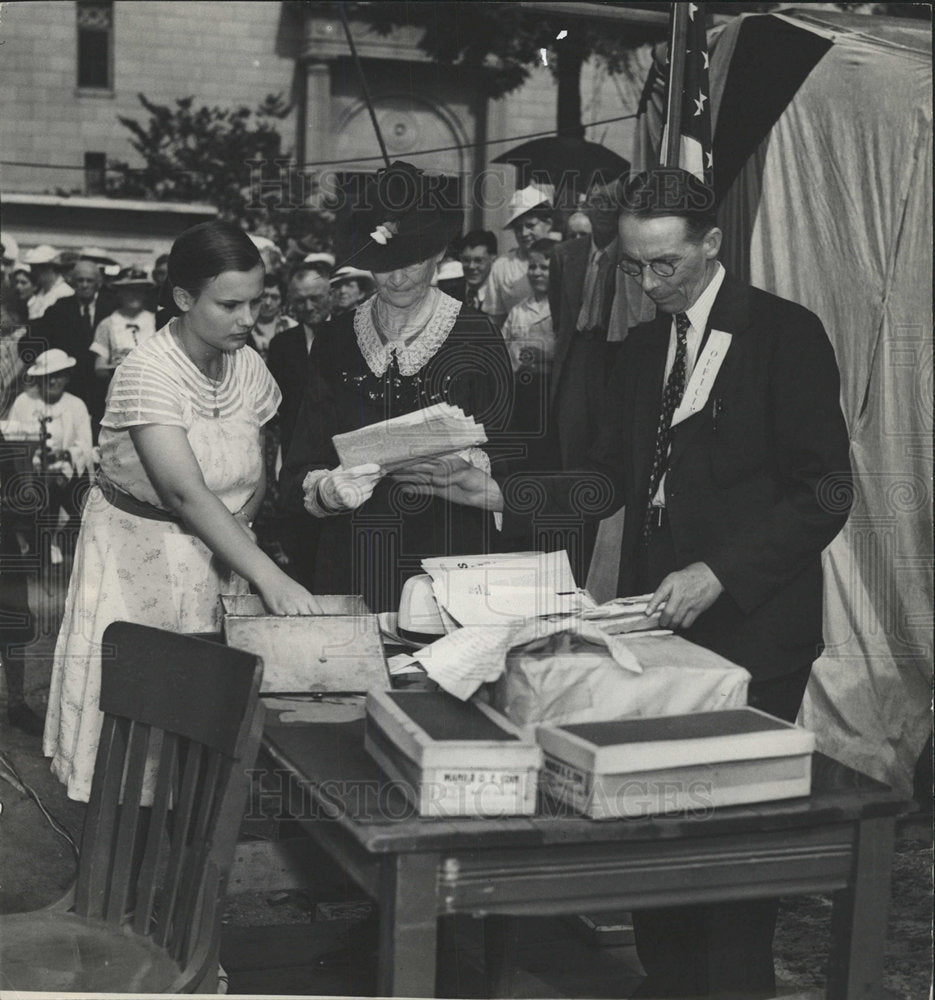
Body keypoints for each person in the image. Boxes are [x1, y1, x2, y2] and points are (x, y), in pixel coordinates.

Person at [426, 167, 853, 998]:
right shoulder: (643, 346)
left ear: (712, 244)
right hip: (661, 626)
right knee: (659, 830)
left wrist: (722, 572)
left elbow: (825, 491)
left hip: (756, 631)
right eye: (636, 267)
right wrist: (503, 492)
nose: (652, 284)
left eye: (668, 265)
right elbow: (609, 478)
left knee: (730, 853)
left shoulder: (782, 333)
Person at [43, 220, 321, 802]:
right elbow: (184, 494)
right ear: (183, 299)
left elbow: (256, 456)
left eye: (255, 302)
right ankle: (119, 872)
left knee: (201, 730)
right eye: (229, 304)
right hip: (138, 560)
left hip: (222, 550)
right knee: (135, 724)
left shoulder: (246, 361)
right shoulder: (148, 370)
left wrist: (243, 537)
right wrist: (269, 573)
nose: (247, 318)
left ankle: (188, 865)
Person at [280, 160, 513, 612]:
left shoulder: (477, 336)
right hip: (353, 559)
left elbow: (512, 459)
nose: (399, 278)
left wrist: (474, 475)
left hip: (447, 561)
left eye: (413, 261)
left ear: (440, 255)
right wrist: (326, 492)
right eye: (385, 264)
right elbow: (300, 463)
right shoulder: (335, 339)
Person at [4, 349, 93, 549]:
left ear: (67, 377)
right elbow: (11, 438)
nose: (52, 382)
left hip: (66, 471)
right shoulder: (24, 402)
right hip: (30, 471)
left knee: (69, 493)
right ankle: (35, 544)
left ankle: (59, 541)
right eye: (46, 377)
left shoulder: (76, 405)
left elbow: (85, 444)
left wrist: (64, 455)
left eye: (58, 376)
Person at [27, 257, 117, 434]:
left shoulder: (111, 307)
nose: (84, 285)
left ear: (98, 283)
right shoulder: (60, 308)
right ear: (72, 282)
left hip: (102, 385)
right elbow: (38, 337)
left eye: (89, 280)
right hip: (71, 383)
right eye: (79, 280)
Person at [500, 238, 555, 453]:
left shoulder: (561, 309)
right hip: (521, 392)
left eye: (544, 267)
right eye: (532, 267)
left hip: (548, 392)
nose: (537, 273)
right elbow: (504, 346)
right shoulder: (519, 311)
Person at [485, 185, 554, 327]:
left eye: (530, 226)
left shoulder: (566, 259)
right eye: (518, 228)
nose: (523, 233)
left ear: (547, 224)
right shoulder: (502, 266)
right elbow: (495, 321)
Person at [91, 268, 157, 376]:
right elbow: (99, 367)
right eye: (129, 290)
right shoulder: (107, 324)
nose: (134, 295)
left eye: (139, 290)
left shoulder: (156, 321)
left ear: (145, 293)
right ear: (119, 293)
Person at [438, 230, 498, 312]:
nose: (471, 266)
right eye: (466, 260)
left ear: (493, 259)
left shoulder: (500, 295)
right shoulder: (447, 294)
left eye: (478, 260)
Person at [250, 273, 296, 359]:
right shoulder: (247, 325)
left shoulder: (291, 325)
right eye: (264, 296)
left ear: (282, 301)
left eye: (274, 297)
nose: (268, 303)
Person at [22, 245, 74, 319]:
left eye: (38, 268)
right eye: (33, 268)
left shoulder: (65, 293)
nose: (34, 272)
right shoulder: (40, 293)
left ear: (51, 268)